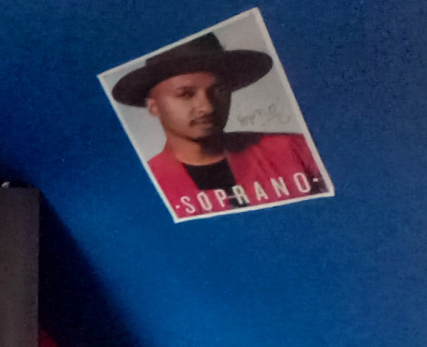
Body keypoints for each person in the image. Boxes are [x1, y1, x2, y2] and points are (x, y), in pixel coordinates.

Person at [111, 32, 327, 219]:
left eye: (219, 90)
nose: (207, 107)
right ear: (154, 106)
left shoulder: (295, 149)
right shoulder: (146, 188)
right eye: (185, 94)